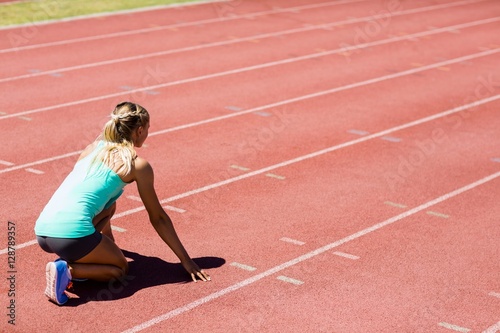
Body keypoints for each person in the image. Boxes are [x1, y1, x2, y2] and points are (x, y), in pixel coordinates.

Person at [34, 102, 210, 305]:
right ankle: (68, 270)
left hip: (43, 230)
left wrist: (107, 245)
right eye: (149, 128)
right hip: (70, 236)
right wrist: (186, 261)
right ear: (140, 130)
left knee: (109, 205)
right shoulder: (136, 164)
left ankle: (89, 257)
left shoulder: (92, 148)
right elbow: (158, 217)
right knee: (120, 270)